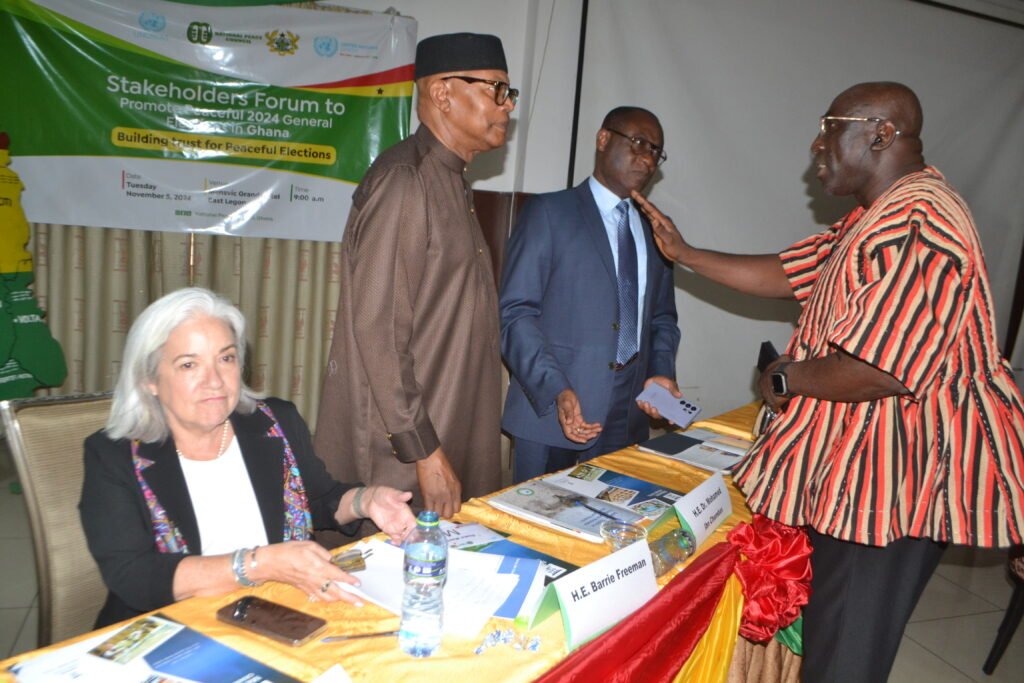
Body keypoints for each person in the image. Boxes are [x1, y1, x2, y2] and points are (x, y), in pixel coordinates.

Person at [633, 81, 1024, 682]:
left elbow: (882, 369)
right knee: (831, 643)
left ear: (880, 134)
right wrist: (685, 253)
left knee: (846, 659)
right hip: (860, 478)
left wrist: (785, 380)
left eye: (829, 127)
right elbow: (789, 273)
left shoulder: (922, 221)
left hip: (892, 487)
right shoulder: (874, 217)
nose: (816, 145)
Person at [79, 288, 416, 627]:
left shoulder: (275, 422)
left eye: (225, 358)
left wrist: (366, 500)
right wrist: (258, 565)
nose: (214, 381)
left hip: (279, 611)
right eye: (189, 364)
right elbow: (133, 576)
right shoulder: (115, 455)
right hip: (170, 628)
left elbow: (317, 499)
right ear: (149, 378)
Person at [314, 33, 516, 521]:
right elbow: (379, 332)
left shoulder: (449, 182)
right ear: (443, 93)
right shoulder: (407, 182)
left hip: (448, 427)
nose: (507, 107)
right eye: (497, 90)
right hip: (403, 461)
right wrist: (424, 451)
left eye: (510, 94)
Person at [500, 107, 680, 482]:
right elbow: (516, 314)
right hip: (554, 414)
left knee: (609, 531)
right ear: (602, 140)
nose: (647, 159)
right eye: (638, 144)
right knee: (539, 533)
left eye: (655, 152)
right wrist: (556, 389)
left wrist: (661, 371)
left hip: (626, 419)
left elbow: (662, 317)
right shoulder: (549, 212)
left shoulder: (655, 229)